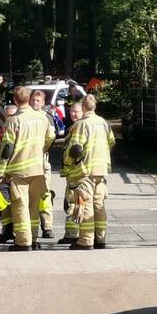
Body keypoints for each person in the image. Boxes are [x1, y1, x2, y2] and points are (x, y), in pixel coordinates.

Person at [0, 86, 54, 251]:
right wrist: (41, 151)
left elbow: (7, 149)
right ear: (29, 98)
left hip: (19, 171)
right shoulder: (42, 117)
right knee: (34, 205)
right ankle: (33, 239)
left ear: (15, 100)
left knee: (20, 205)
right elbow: (51, 137)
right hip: (39, 169)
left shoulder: (13, 121)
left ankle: (23, 242)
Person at [62, 94, 115, 249]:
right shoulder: (104, 123)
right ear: (95, 107)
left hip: (85, 171)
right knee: (99, 205)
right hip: (101, 170)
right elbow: (111, 142)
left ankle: (85, 241)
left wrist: (68, 163)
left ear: (84, 107)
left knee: (85, 205)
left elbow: (75, 149)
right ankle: (100, 239)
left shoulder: (81, 125)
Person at [29, 90, 57, 238]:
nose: (35, 103)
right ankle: (30, 229)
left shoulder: (47, 118)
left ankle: (47, 226)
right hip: (28, 164)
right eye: (33, 100)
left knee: (45, 196)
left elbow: (50, 139)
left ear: (43, 103)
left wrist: (42, 150)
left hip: (42, 162)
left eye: (38, 100)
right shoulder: (25, 117)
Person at [57, 100, 84, 244]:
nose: (73, 114)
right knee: (70, 203)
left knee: (73, 203)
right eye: (71, 111)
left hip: (76, 172)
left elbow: (74, 151)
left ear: (83, 112)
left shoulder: (80, 128)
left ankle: (72, 235)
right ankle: (72, 234)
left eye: (76, 111)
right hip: (72, 173)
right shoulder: (74, 127)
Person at [0, 104, 18, 243]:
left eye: (13, 116)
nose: (10, 118)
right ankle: (7, 229)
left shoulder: (19, 130)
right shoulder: (1, 133)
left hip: (16, 173)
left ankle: (17, 232)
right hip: (3, 174)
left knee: (18, 204)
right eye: (8, 116)